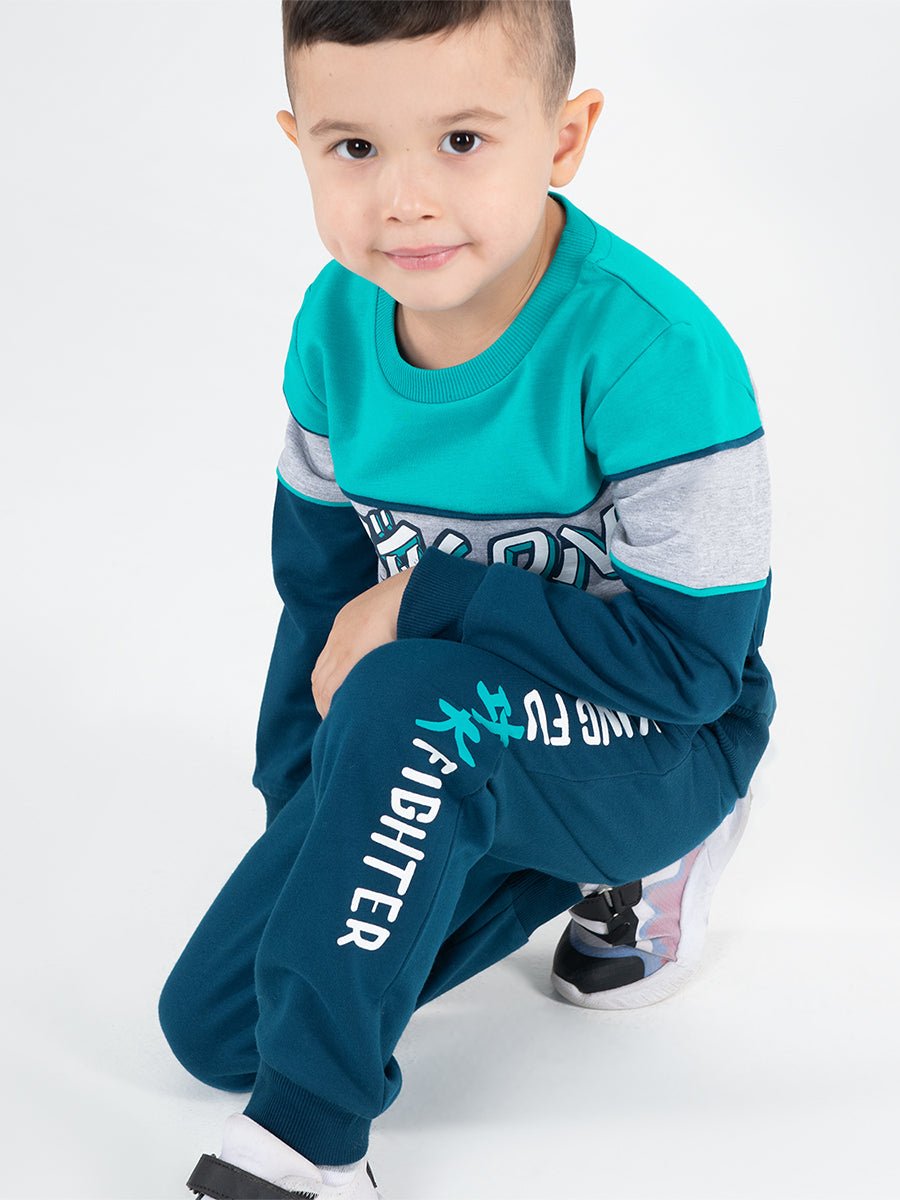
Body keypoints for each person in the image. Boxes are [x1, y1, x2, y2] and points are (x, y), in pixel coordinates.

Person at [158, 2, 777, 1197]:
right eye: (355, 147)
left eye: (461, 141)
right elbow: (320, 602)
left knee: (412, 696)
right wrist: (316, 829)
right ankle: (495, 843)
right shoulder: (334, 328)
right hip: (443, 732)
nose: (406, 200)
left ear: (564, 137)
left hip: (662, 736)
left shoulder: (653, 355)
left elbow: (695, 668)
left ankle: (311, 1140)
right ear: (297, 143)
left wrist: (430, 599)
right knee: (217, 1028)